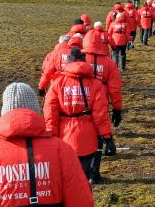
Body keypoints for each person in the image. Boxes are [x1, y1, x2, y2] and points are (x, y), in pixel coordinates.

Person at [44, 48, 116, 184]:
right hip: (87, 139)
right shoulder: (96, 84)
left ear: (68, 62)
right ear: (84, 62)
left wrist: (50, 138)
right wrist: (108, 137)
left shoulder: (57, 83)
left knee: (66, 178)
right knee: (84, 177)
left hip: (64, 136)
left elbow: (50, 114)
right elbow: (100, 114)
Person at [83, 33, 123, 128]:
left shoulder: (78, 59)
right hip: (102, 98)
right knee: (101, 123)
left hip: (82, 98)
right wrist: (117, 108)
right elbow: (115, 89)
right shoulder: (110, 63)